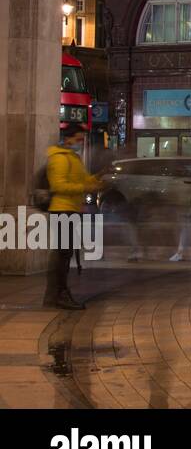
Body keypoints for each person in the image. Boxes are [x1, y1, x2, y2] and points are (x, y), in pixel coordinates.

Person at [43, 125, 102, 310]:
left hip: (71, 210)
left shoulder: (73, 158)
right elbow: (58, 186)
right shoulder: (59, 159)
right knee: (62, 255)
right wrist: (86, 188)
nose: (80, 143)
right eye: (78, 139)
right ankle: (59, 295)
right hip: (61, 211)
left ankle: (55, 295)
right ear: (68, 139)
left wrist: (98, 179)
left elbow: (84, 179)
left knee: (65, 254)